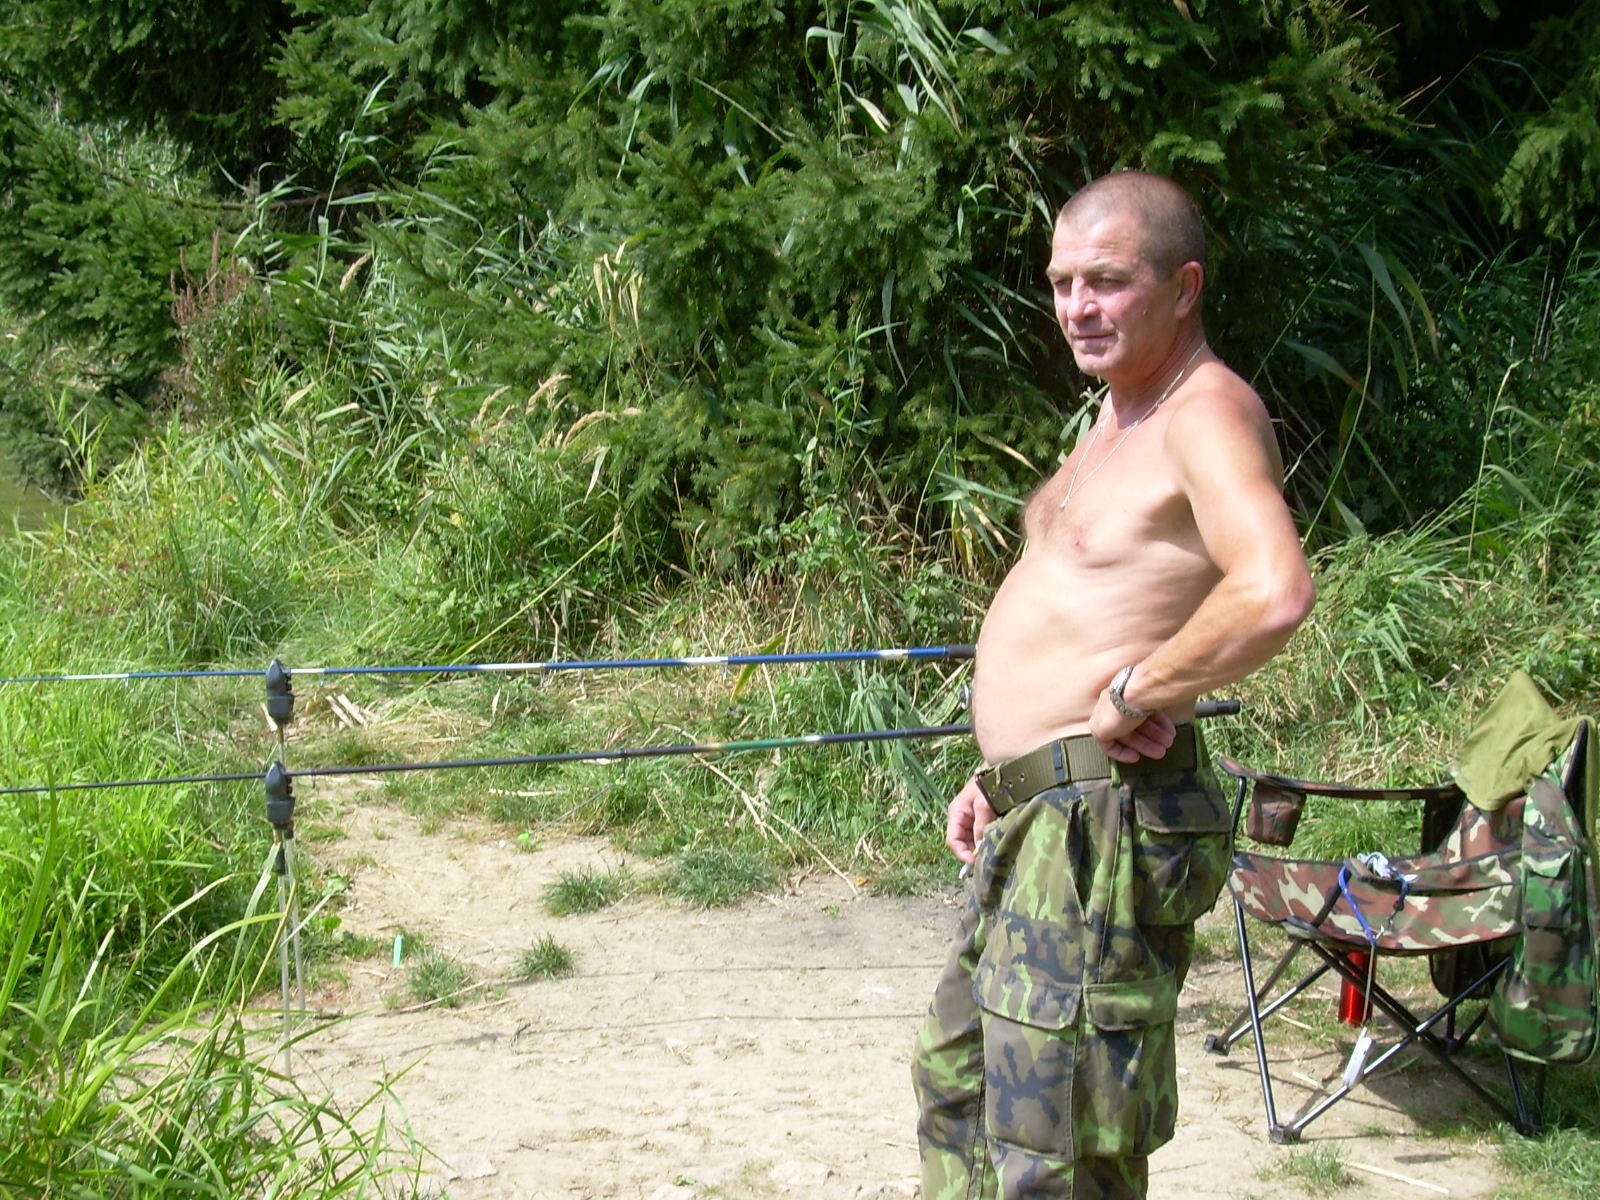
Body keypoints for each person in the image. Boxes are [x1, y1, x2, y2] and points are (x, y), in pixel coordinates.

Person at [911, 170, 1316, 1199]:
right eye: (1061, 283)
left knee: (1058, 1141)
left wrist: (1140, 690)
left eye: (1107, 281)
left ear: (1184, 288)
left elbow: (1273, 589)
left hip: (1102, 826)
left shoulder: (1203, 415)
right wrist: (1004, 773)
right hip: (1037, 816)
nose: (1077, 307)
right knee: (961, 1089)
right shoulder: (1114, 418)